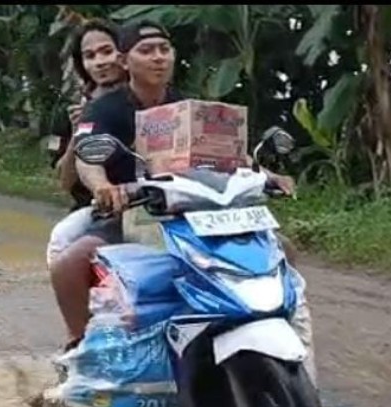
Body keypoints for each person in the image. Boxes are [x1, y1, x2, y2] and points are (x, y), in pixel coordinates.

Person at [52, 20, 305, 354]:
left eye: (163, 49)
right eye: (146, 51)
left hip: (192, 213)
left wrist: (267, 175)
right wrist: (103, 187)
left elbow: (228, 152)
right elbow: (88, 157)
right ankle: (80, 347)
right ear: (125, 61)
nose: (157, 58)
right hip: (131, 212)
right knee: (70, 262)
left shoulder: (189, 106)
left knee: (280, 249)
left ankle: (277, 328)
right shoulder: (105, 109)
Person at [44, 19, 127, 268]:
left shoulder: (150, 96)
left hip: (151, 202)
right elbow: (65, 181)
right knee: (62, 245)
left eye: (106, 51)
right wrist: (79, 132)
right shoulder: (71, 112)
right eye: (90, 56)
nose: (100, 62)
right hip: (96, 209)